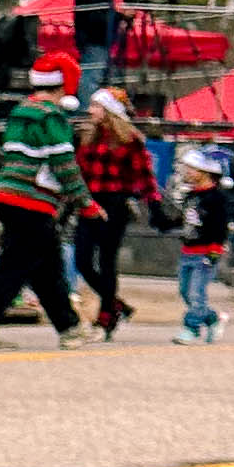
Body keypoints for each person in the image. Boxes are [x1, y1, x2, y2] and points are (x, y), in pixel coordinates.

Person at [0, 66, 89, 348]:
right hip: (33, 200)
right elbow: (64, 164)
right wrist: (85, 201)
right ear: (62, 87)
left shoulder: (19, 113)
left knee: (46, 265)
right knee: (15, 267)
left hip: (8, 195)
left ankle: (69, 328)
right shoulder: (53, 117)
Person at [74, 90, 159, 338]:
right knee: (82, 261)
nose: (91, 111)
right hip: (89, 203)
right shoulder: (86, 136)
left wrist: (153, 203)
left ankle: (106, 318)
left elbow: (144, 176)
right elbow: (78, 171)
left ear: (110, 110)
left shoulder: (129, 139)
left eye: (96, 106)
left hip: (115, 204)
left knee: (107, 261)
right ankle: (117, 305)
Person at [172, 144, 229, 346]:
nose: (188, 172)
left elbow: (220, 227)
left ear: (206, 172)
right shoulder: (191, 196)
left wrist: (215, 250)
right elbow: (184, 221)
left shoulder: (216, 198)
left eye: (192, 169)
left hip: (205, 253)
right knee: (186, 292)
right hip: (187, 252)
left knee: (197, 293)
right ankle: (213, 319)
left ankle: (191, 328)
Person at [70, 0, 126, 111]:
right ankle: (86, 109)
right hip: (96, 42)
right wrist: (119, 15)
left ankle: (89, 108)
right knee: (91, 76)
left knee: (92, 75)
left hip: (92, 41)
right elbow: (100, 21)